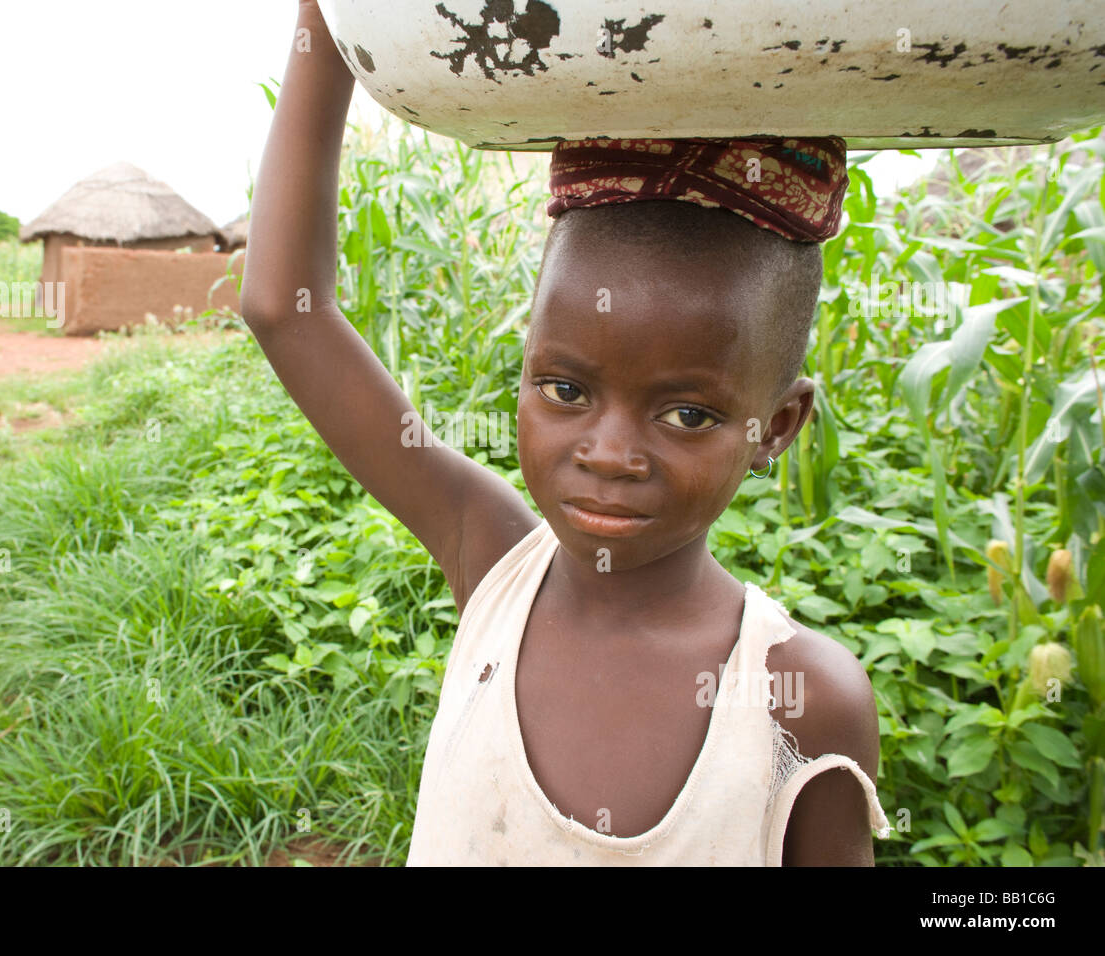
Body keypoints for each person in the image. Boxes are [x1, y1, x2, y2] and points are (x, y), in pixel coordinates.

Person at [240, 0, 891, 865]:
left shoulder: (799, 698)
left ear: (775, 427)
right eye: (565, 388)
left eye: (687, 414)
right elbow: (287, 313)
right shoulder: (492, 558)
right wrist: (324, 20)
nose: (609, 455)